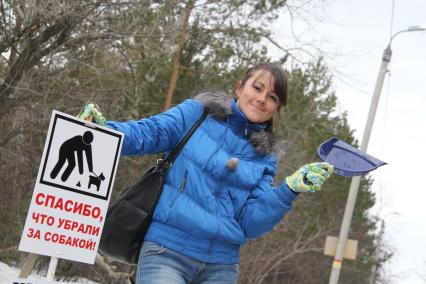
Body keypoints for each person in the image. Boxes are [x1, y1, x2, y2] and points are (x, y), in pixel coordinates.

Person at [80, 63, 333, 284]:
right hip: (166, 250)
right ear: (239, 87)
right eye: (257, 88)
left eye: (272, 97)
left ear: (276, 108)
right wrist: (105, 131)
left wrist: (288, 190)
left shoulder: (265, 158)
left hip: (221, 266)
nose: (261, 99)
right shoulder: (198, 114)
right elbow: (151, 132)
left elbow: (251, 223)